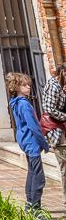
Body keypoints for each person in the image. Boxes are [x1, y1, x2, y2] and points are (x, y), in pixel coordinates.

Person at [6, 71, 49, 213]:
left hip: (25, 140)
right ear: (16, 87)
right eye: (24, 85)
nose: (28, 87)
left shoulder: (16, 102)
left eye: (28, 85)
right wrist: (44, 143)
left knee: (32, 172)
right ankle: (35, 208)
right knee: (38, 177)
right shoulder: (23, 104)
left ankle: (30, 203)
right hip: (31, 141)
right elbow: (34, 126)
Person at [41, 62, 66, 202]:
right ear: (64, 73)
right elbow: (49, 109)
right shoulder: (53, 86)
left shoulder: (60, 86)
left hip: (61, 128)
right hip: (57, 132)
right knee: (65, 166)